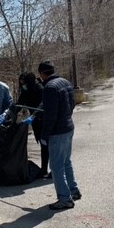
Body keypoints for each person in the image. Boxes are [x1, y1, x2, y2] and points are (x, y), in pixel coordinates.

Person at [38, 60, 81, 210]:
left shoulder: (49, 88)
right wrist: (66, 117)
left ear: (42, 74)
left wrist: (44, 135)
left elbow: (50, 115)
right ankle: (73, 190)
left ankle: (65, 199)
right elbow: (73, 103)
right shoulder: (65, 82)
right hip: (68, 127)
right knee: (66, 161)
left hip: (58, 132)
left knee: (56, 167)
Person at [16, 72, 49, 177]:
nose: (23, 86)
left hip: (45, 121)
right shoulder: (26, 91)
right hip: (35, 122)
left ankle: (46, 169)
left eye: (24, 84)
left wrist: (34, 115)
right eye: (21, 84)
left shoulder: (41, 89)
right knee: (42, 144)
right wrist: (7, 114)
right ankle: (44, 169)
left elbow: (42, 105)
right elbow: (19, 104)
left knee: (47, 146)